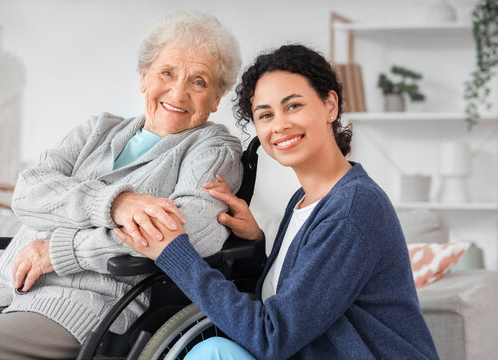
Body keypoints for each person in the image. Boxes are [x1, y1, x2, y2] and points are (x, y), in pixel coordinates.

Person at [118, 44, 440, 359]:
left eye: (293, 106)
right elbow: (298, 298)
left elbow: (272, 337)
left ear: (330, 106)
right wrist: (256, 245)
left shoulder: (352, 210)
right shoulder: (305, 201)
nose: (280, 125)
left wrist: (174, 253)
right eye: (266, 114)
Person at [0, 12, 243, 360]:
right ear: (144, 78)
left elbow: (192, 231)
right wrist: (115, 204)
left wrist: (61, 251)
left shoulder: (213, 149)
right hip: (3, 288)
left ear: (216, 98)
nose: (178, 92)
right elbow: (29, 191)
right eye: (167, 73)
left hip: (82, 307)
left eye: (199, 82)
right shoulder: (97, 129)